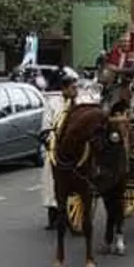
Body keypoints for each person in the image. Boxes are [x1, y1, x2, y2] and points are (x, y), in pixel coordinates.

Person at [40, 68, 79, 230]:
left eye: (76, 88)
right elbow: (47, 126)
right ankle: (53, 215)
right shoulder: (53, 103)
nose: (75, 91)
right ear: (64, 88)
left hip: (76, 147)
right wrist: (50, 141)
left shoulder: (80, 103)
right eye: (72, 88)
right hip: (57, 147)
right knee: (50, 177)